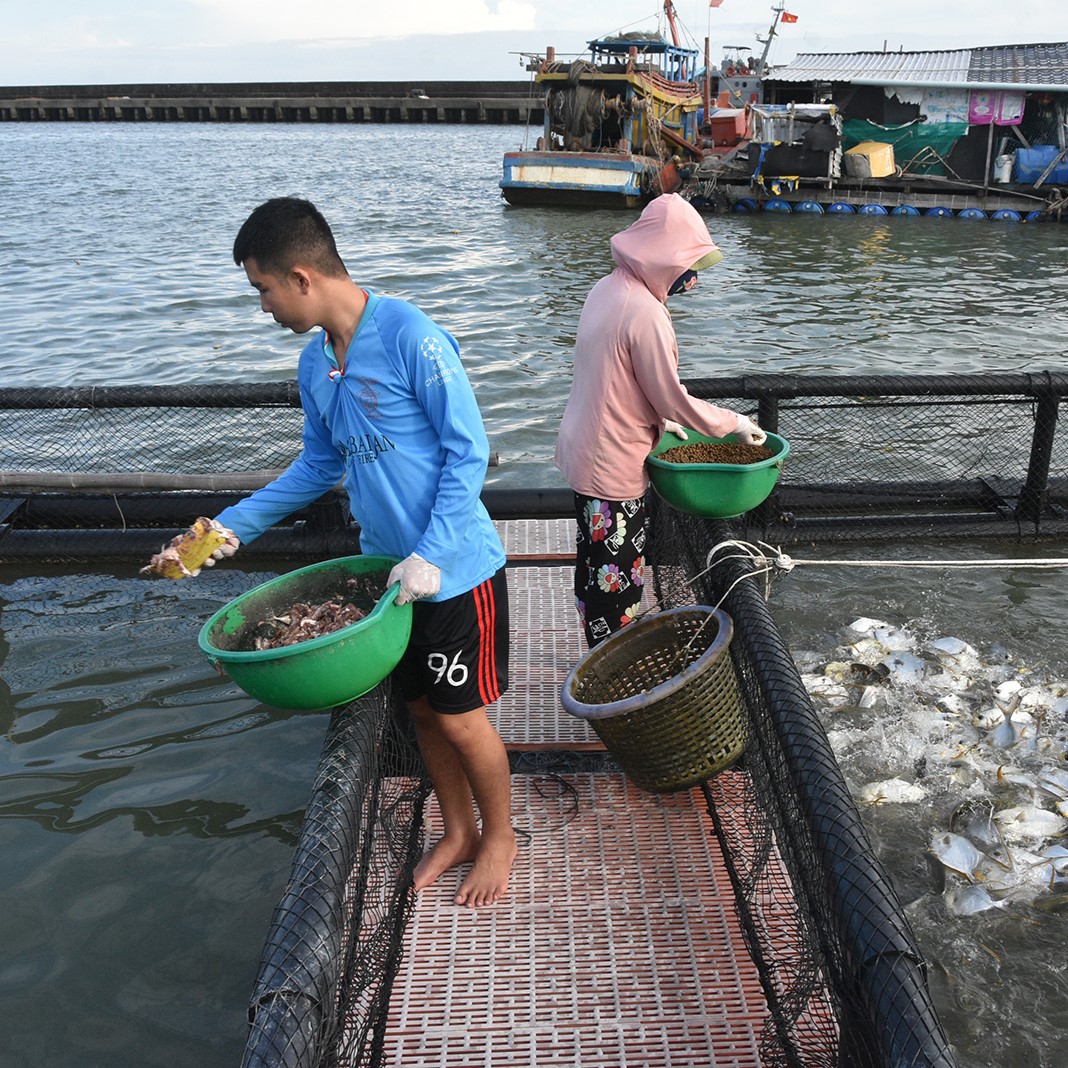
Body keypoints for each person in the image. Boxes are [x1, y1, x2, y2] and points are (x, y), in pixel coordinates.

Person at [155, 197, 515, 908]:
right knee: (420, 712)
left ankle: (500, 834)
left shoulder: (413, 337)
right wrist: (223, 532)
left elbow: (467, 451)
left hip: (458, 570)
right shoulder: (315, 365)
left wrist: (433, 554)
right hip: (386, 578)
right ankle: (457, 830)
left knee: (462, 719)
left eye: (261, 290)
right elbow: (316, 468)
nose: (262, 307)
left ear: (300, 277)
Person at [554, 193, 766, 648]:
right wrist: (732, 423)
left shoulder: (609, 287)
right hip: (611, 466)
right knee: (617, 584)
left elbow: (613, 378)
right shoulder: (646, 312)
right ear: (664, 259)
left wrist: (653, 420)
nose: (691, 281)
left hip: (584, 450)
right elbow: (671, 396)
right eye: (688, 269)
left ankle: (597, 657)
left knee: (593, 569)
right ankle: (613, 676)